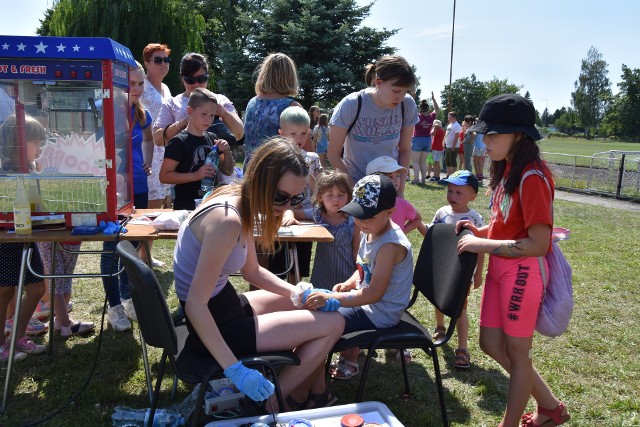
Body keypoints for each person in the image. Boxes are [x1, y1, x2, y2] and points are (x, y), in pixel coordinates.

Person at [174, 138, 344, 411]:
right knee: (333, 323)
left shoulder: (236, 199)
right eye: (280, 197)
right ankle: (271, 404)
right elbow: (196, 304)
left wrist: (298, 293)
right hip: (215, 324)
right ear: (261, 181)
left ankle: (311, 390)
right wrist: (235, 369)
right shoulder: (228, 220)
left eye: (296, 198)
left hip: (224, 306)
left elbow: (251, 271)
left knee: (312, 306)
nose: (286, 206)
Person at [457, 94, 570, 427]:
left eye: (493, 134)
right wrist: (480, 230)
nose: (484, 140)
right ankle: (550, 407)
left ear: (518, 136)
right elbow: (504, 221)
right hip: (499, 267)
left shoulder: (532, 178)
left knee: (519, 355)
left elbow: (537, 244)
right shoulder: (507, 169)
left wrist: (482, 244)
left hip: (522, 272)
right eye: (484, 133)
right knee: (490, 343)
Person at [304, 174, 413, 380]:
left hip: (381, 312)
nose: (362, 222)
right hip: (366, 302)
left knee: (322, 321)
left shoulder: (390, 245)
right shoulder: (369, 229)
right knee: (318, 313)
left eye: (369, 216)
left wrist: (334, 299)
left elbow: (373, 294)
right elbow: (363, 267)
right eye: (357, 214)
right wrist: (350, 282)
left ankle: (345, 362)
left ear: (390, 212)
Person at [100, 62, 154, 332]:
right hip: (114, 190)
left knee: (131, 246)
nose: (136, 88)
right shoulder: (104, 109)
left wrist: (147, 161)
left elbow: (149, 139)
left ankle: (127, 296)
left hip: (138, 187)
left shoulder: (142, 114)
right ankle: (114, 307)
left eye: (140, 83)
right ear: (118, 84)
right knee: (112, 247)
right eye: (130, 83)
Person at [328, 55, 419, 197]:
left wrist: (399, 192)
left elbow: (405, 150)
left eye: (405, 91)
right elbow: (333, 155)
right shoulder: (351, 104)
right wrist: (355, 191)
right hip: (355, 184)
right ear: (378, 82)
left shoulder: (407, 105)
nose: (400, 97)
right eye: (396, 90)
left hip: (389, 188)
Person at [0, 114, 47, 361]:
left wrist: (37, 177)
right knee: (4, 292)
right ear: (17, 142)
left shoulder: (28, 169)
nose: (39, 148)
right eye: (35, 142)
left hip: (26, 238)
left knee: (38, 287)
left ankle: (17, 336)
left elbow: (36, 204)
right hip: (7, 241)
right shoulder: (4, 170)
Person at [429, 170, 485, 369]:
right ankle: (440, 326)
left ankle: (462, 348)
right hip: (441, 269)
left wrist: (478, 272)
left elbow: (481, 247)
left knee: (460, 308)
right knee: (439, 300)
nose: (452, 196)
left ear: (473, 196)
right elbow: (432, 237)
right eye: (450, 191)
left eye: (459, 192)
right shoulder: (442, 213)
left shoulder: (475, 218)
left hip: (462, 273)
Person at [159, 88, 235, 211]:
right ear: (190, 111)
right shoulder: (179, 141)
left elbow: (227, 171)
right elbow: (164, 176)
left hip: (209, 204)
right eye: (204, 114)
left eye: (212, 115)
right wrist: (196, 175)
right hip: (185, 207)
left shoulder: (213, 138)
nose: (208, 119)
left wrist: (227, 152)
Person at [153, 52, 243, 154]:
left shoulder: (221, 100)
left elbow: (239, 134)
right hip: (186, 167)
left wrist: (223, 113)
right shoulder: (172, 103)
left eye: (201, 79)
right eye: (190, 80)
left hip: (220, 166)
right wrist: (182, 122)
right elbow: (158, 140)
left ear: (208, 77)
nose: (196, 84)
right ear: (182, 78)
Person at [290, 170, 358, 291]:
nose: (335, 199)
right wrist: (289, 216)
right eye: (330, 195)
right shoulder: (317, 214)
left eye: (341, 195)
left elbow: (357, 253)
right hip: (321, 278)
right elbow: (292, 212)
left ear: (348, 196)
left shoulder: (353, 220)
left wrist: (357, 278)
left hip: (346, 278)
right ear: (320, 197)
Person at [275, 106, 322, 282]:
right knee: (277, 264)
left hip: (304, 218)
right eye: (293, 134)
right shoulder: (276, 159)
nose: (299, 139)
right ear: (281, 133)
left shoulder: (312, 158)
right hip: (279, 217)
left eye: (303, 133)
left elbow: (318, 190)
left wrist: (306, 170)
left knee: (300, 264)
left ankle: (296, 292)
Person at [242, 52, 300, 168]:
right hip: (277, 173)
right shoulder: (291, 106)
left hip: (251, 170)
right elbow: (303, 147)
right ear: (290, 76)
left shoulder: (252, 103)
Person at [141, 43, 173, 212]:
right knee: (151, 204)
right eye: (158, 60)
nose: (163, 64)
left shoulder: (166, 89)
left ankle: (147, 240)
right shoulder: (141, 87)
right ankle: (140, 239)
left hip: (165, 149)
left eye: (166, 60)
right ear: (146, 63)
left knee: (163, 204)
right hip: (149, 149)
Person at [366, 156, 426, 237]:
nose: (396, 180)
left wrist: (401, 232)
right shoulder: (366, 203)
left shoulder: (402, 204)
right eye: (390, 177)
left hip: (395, 248)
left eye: (397, 175)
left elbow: (417, 219)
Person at [411, 92, 439, 184]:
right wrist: (434, 99)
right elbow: (437, 109)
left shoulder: (418, 116)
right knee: (423, 161)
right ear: (428, 109)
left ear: (420, 109)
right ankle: (423, 179)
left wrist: (413, 97)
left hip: (417, 139)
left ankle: (416, 179)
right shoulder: (431, 117)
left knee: (415, 161)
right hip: (427, 140)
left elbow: (411, 107)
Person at [444, 111, 461, 177]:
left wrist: (453, 145)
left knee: (453, 160)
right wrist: (444, 142)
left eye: (449, 116)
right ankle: (448, 175)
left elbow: (457, 135)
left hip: (453, 146)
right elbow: (446, 134)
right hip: (448, 146)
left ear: (454, 117)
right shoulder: (449, 125)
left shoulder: (457, 125)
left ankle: (454, 176)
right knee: (447, 160)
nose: (448, 118)